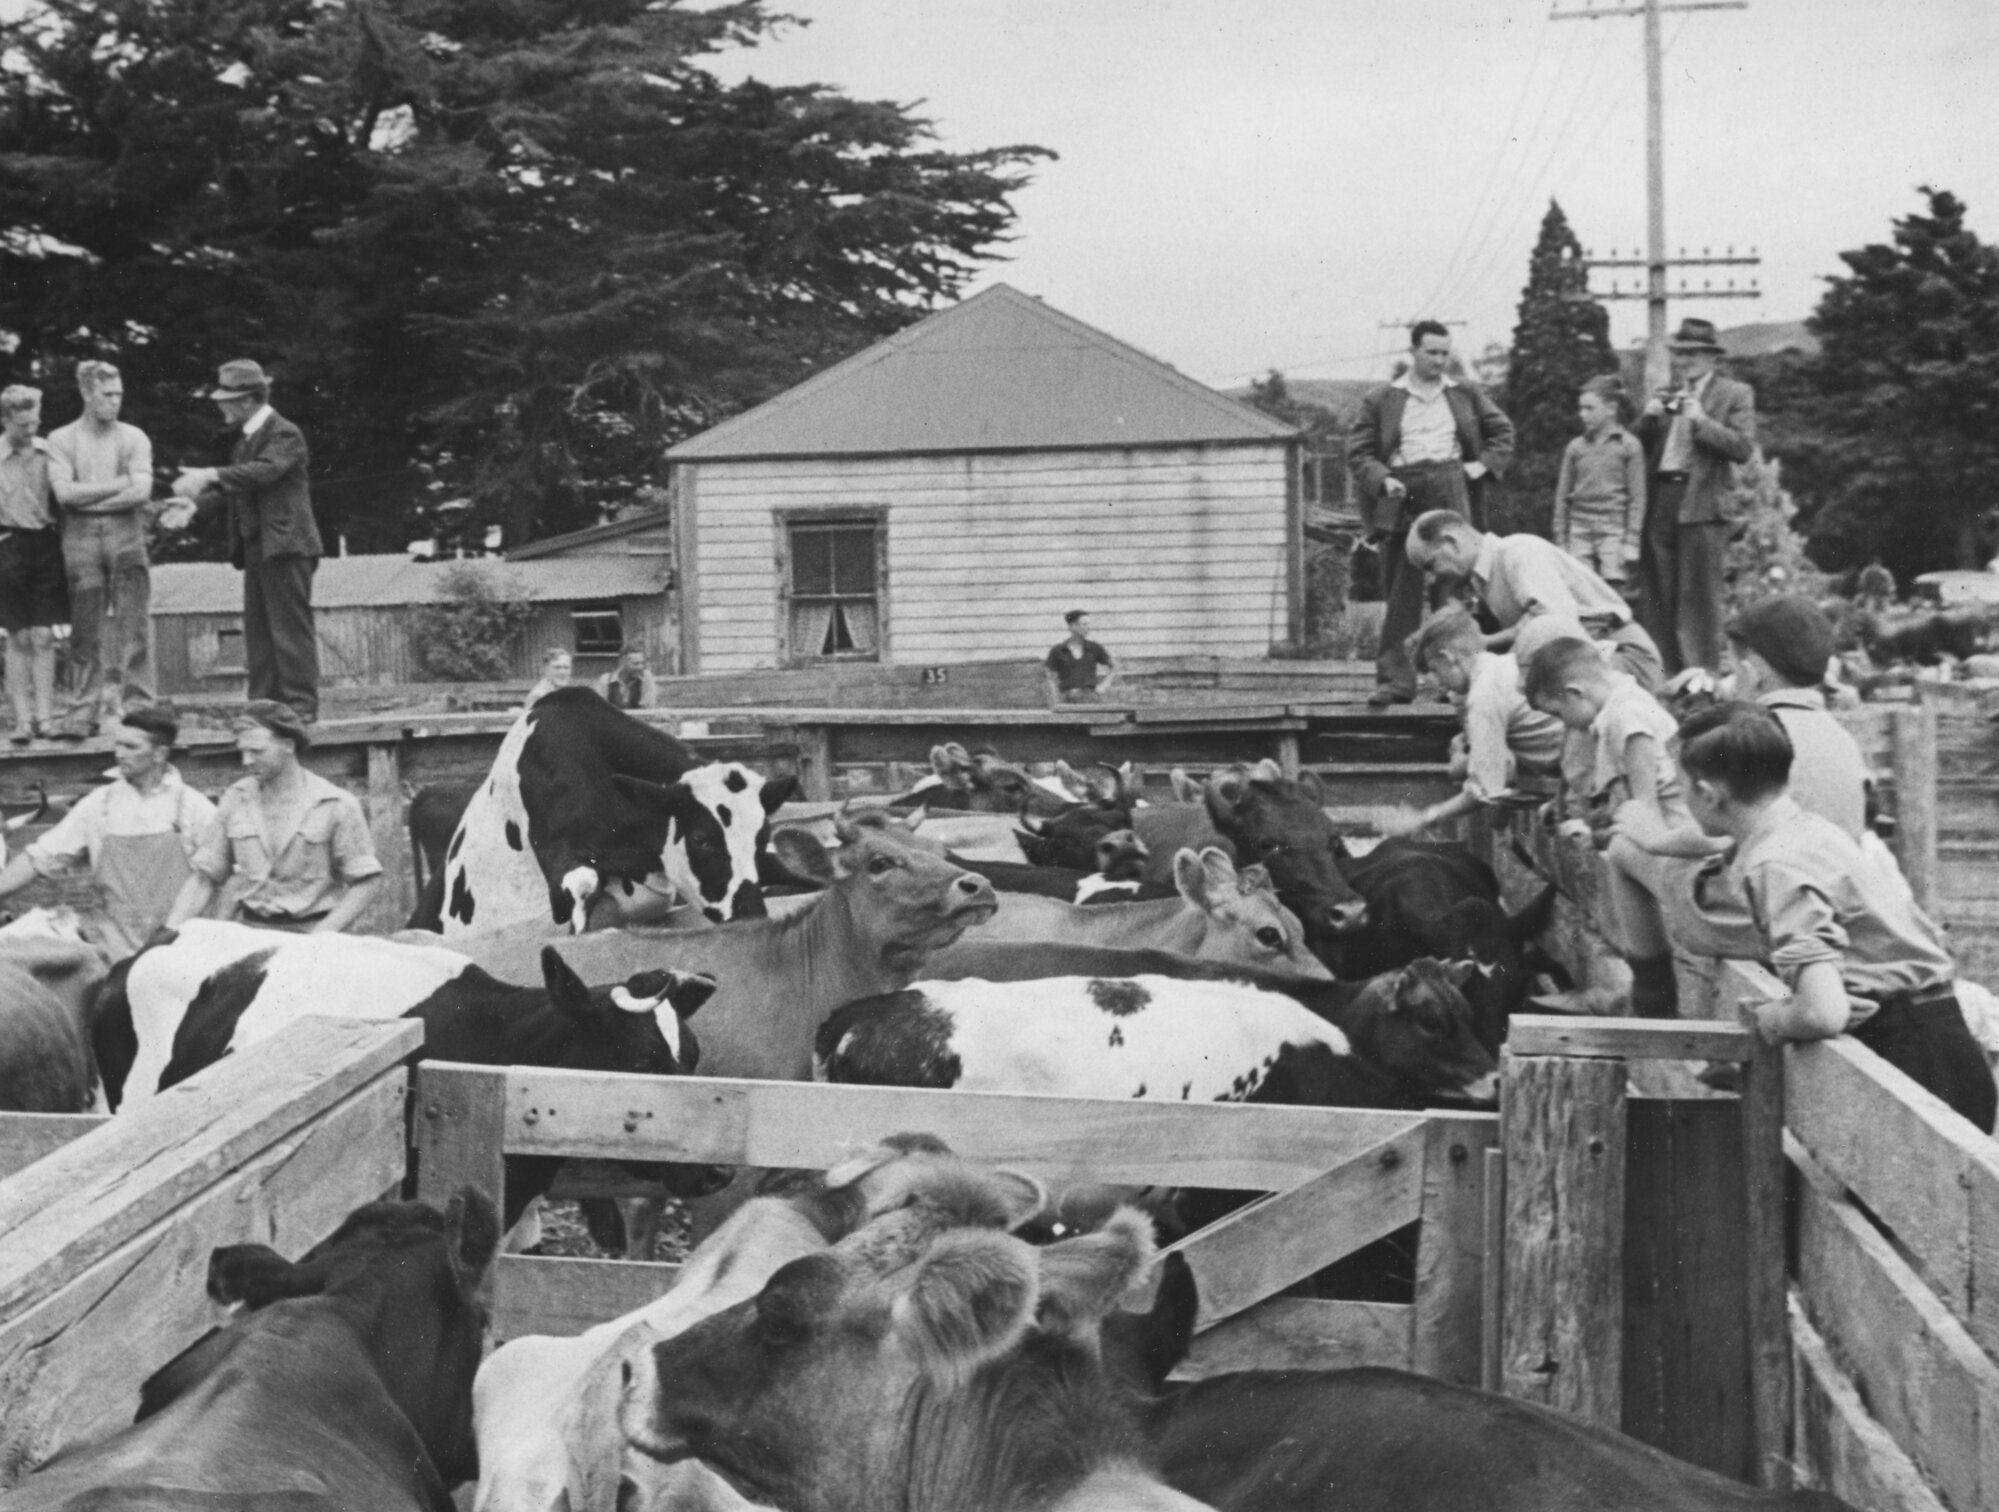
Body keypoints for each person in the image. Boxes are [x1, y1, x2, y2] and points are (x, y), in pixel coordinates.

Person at [1669, 702, 1994, 1132]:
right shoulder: (1812, 832)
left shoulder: (1775, 865)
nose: (1684, 803)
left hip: (1909, 1059)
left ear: (1710, 794)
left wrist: (1773, 1017)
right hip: (1938, 1037)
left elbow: (1823, 1014)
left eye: (1682, 790)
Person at [1523, 634, 1696, 1018]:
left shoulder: (1627, 719)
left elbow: (1644, 811)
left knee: (1618, 853)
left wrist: (1594, 833)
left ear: (1575, 693)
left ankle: (1650, 993)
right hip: (1675, 843)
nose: (1563, 724)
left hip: (1680, 848)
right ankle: (1642, 989)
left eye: (1557, 713)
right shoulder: (1618, 707)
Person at [1346, 321, 1516, 707]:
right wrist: (1383, 479)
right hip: (1401, 488)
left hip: (1448, 482)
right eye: (1431, 352)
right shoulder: (1383, 399)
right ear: (1413, 351)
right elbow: (1358, 452)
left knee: (1452, 588)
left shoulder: (1464, 393)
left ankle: (1456, 681)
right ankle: (1395, 682)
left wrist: (1482, 465)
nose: (1439, 360)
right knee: (1400, 589)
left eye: (1444, 353)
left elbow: (1502, 432)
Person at [161, 360, 323, 721]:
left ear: (248, 399)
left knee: (289, 629)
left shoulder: (284, 434)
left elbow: (265, 472)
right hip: (258, 547)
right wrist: (193, 508)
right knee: (260, 632)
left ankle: (300, 707)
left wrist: (208, 474)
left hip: (286, 545)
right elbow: (235, 490)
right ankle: (263, 706)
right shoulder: (244, 443)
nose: (220, 405)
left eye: (226, 399)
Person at [0, 705, 216, 957]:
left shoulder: (193, 805)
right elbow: (41, 857)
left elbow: (214, 876)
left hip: (180, 945)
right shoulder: (99, 803)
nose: (119, 754)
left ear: (160, 754)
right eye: (118, 745)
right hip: (114, 947)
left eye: (131, 747)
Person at [166, 701, 381, 933]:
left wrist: (322, 935)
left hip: (314, 936)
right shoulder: (236, 798)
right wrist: (170, 930)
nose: (246, 761)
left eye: (257, 751)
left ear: (288, 745)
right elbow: (204, 877)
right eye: (243, 752)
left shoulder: (335, 803)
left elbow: (366, 881)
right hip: (252, 933)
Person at [1406, 509, 1666, 692]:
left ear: (1451, 542)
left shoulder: (1518, 551)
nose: (1432, 578)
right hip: (1582, 662)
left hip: (1622, 657)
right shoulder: (1480, 579)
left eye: (1430, 564)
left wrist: (1486, 643)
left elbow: (1557, 625)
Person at [1377, 604, 1569, 838]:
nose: (1438, 683)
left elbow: (1485, 790)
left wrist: (1423, 818)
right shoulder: (1505, 665)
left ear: (1450, 658)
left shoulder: (1483, 694)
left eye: (1435, 671)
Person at [1636, 318, 1757, 677]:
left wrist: (1701, 420)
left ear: (1711, 357)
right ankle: (1665, 677)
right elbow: (1635, 446)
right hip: (1662, 496)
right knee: (1658, 593)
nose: (1685, 361)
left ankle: (1700, 680)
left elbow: (1743, 448)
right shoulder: (1667, 394)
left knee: (1699, 598)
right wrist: (1647, 419)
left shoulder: (1734, 393)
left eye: (1692, 354)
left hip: (1703, 501)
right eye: (1680, 354)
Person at [45, 360, 156, 737]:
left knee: (134, 622)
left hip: (127, 536)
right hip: (80, 541)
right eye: (107, 394)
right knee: (84, 627)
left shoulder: (134, 437)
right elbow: (63, 494)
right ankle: (82, 710)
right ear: (87, 393)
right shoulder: (62, 440)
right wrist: (118, 484)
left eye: (119, 394)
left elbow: (142, 491)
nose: (115, 401)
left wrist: (88, 500)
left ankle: (139, 705)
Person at [0, 386, 70, 745]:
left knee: (44, 635)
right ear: (5, 420)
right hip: (7, 543)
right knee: (18, 635)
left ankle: (46, 718)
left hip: (45, 543)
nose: (30, 429)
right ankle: (22, 721)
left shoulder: (49, 453)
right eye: (22, 424)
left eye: (35, 421)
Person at [1551, 375, 1645, 590]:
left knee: (1613, 589)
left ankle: (1612, 623)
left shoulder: (1629, 445)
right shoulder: (1576, 447)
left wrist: (1632, 539)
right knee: (1580, 587)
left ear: (1611, 408)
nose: (1582, 415)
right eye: (1581, 408)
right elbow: (1562, 494)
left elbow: (1637, 497)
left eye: (1590, 408)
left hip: (1613, 528)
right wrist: (1560, 537)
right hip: (1579, 528)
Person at [1043, 610, 1117, 705]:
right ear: (1073, 626)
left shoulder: (1094, 647)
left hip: (1090, 698)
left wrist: (1104, 685)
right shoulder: (1058, 650)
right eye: (1084, 624)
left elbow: (1115, 666)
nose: (1088, 628)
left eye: (1088, 624)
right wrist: (1056, 698)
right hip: (1066, 698)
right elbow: (1049, 677)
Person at [598, 647, 658, 711]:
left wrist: (646, 680)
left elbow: (649, 708)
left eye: (642, 663)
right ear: (622, 662)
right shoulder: (606, 680)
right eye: (636, 664)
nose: (640, 667)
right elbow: (598, 707)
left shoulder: (645, 677)